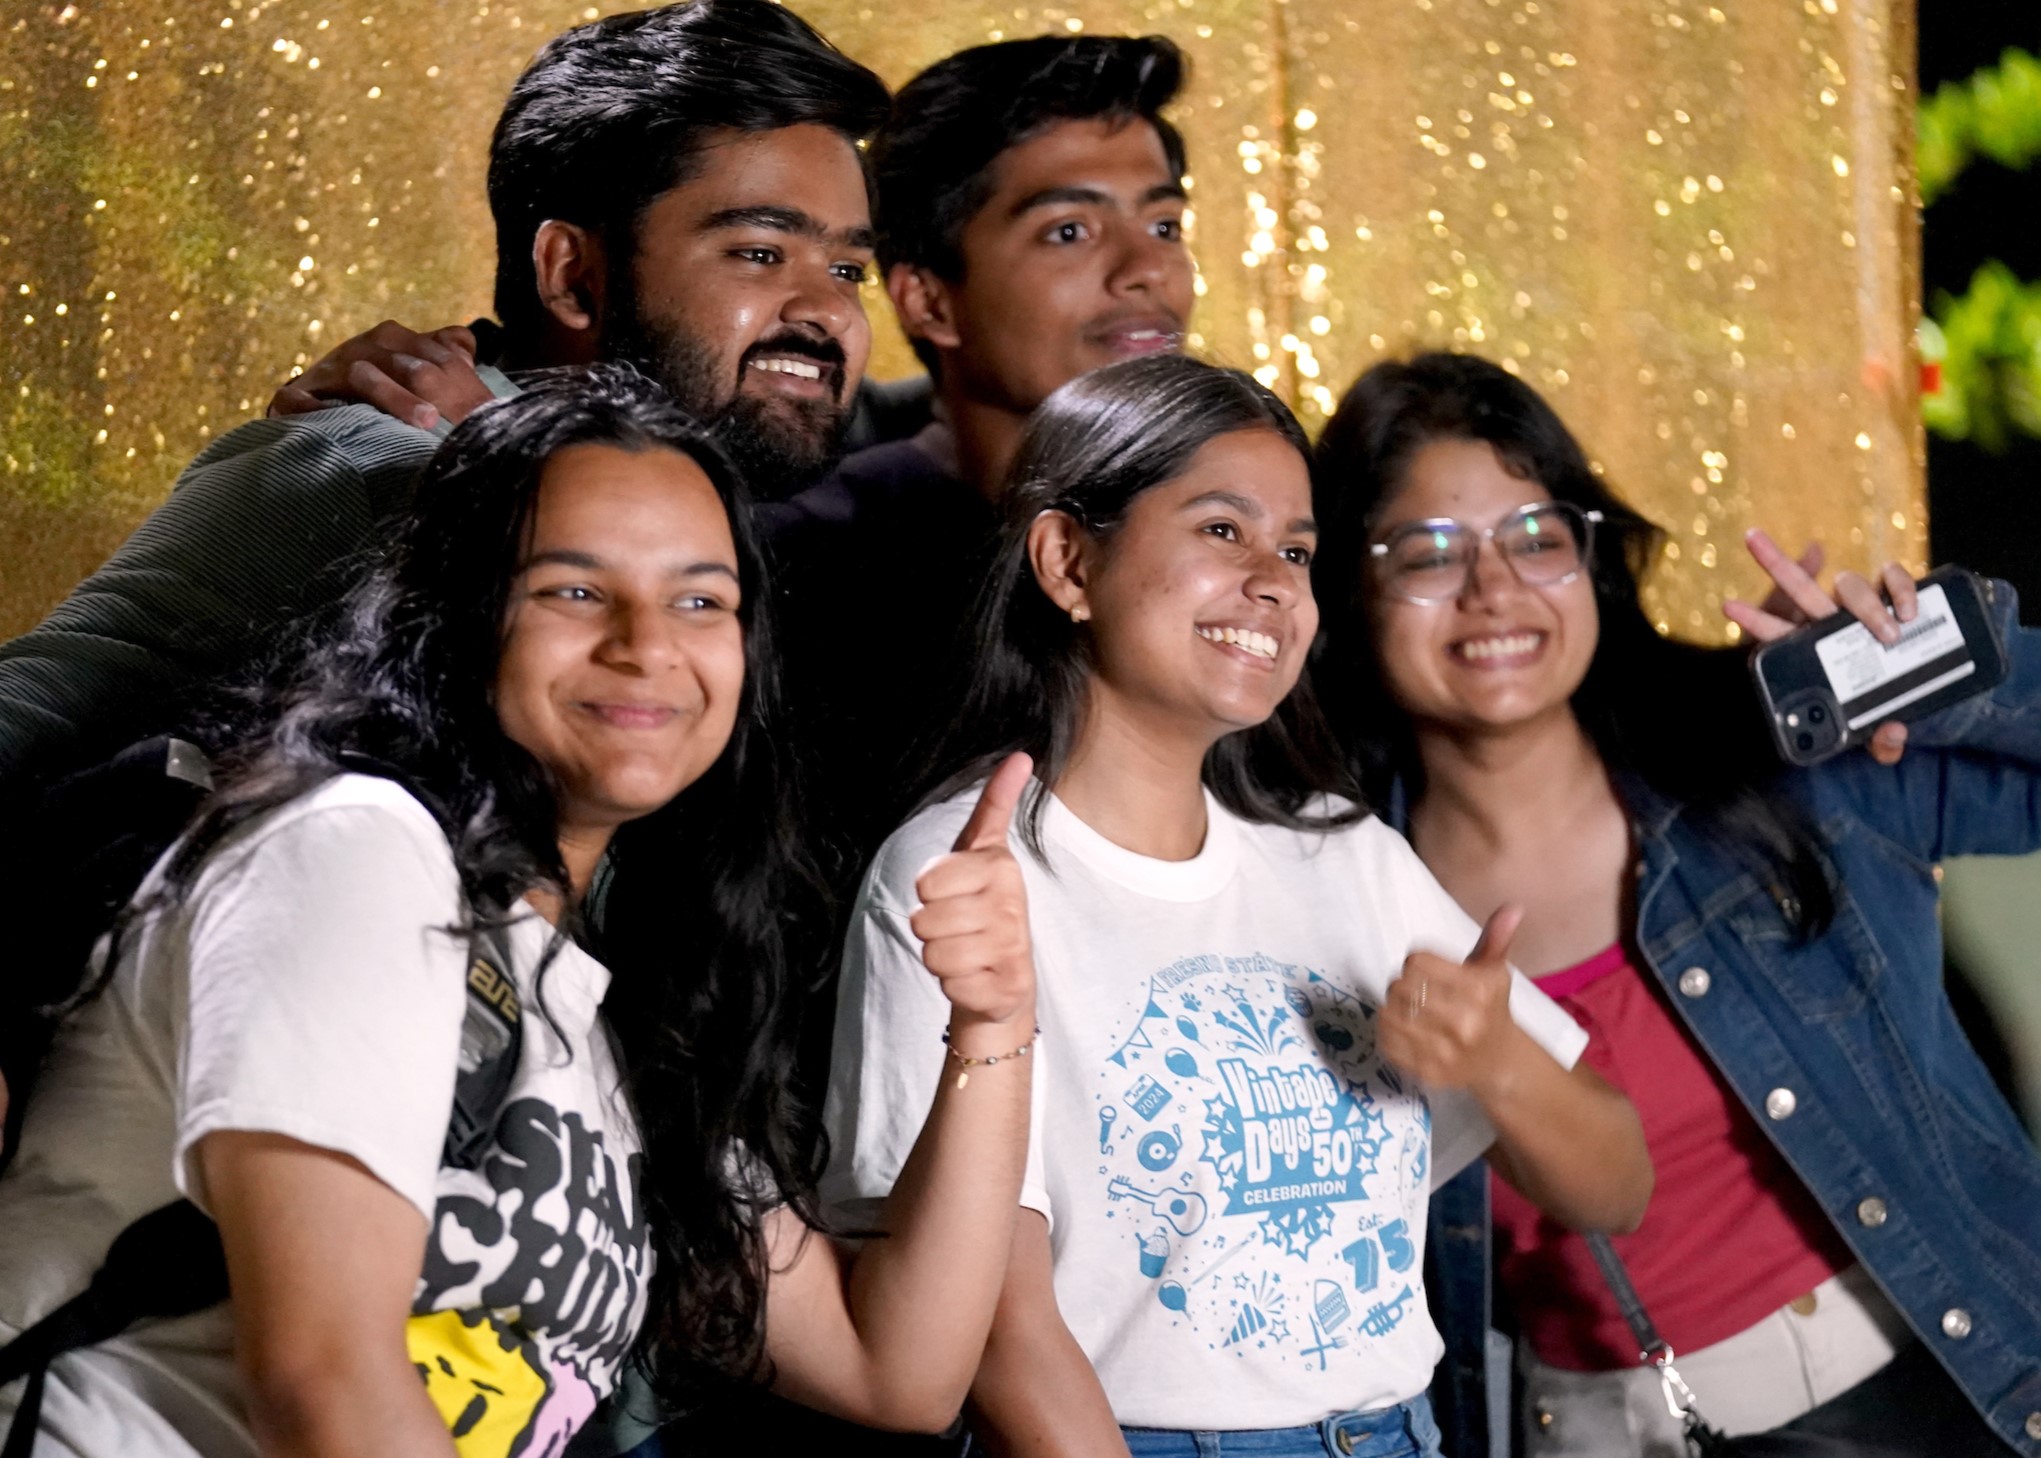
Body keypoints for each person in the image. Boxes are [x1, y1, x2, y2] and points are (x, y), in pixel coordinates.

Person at [0, 366, 1042, 1458]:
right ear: (455, 613)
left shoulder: (607, 1008)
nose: (647, 644)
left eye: (700, 599)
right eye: (574, 591)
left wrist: (994, 1022)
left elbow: (898, 1370)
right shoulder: (354, 851)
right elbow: (329, 1383)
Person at [0, 0, 887, 1142]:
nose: (821, 313)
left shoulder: (729, 552)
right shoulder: (373, 457)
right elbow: (39, 707)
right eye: (760, 252)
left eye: (850, 270)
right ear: (572, 273)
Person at [825, 354, 1652, 1458]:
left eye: (1298, 551)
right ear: (1068, 561)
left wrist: (1498, 1057)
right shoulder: (961, 875)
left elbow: (1616, 1183)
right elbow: (1006, 1334)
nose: (1273, 580)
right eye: (1223, 531)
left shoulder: (1343, 852)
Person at [1310, 351, 2039, 1456]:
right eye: (1427, 554)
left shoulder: (1772, 761)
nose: (1493, 590)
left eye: (1536, 538)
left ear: (1592, 562)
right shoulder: (1328, 908)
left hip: (1928, 1400)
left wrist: (1935, 674)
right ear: (1350, 599)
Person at [768, 32, 1197, 863]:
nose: (1147, 269)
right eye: (1069, 230)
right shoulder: (806, 571)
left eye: (1165, 222)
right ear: (928, 301)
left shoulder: (1252, 539)